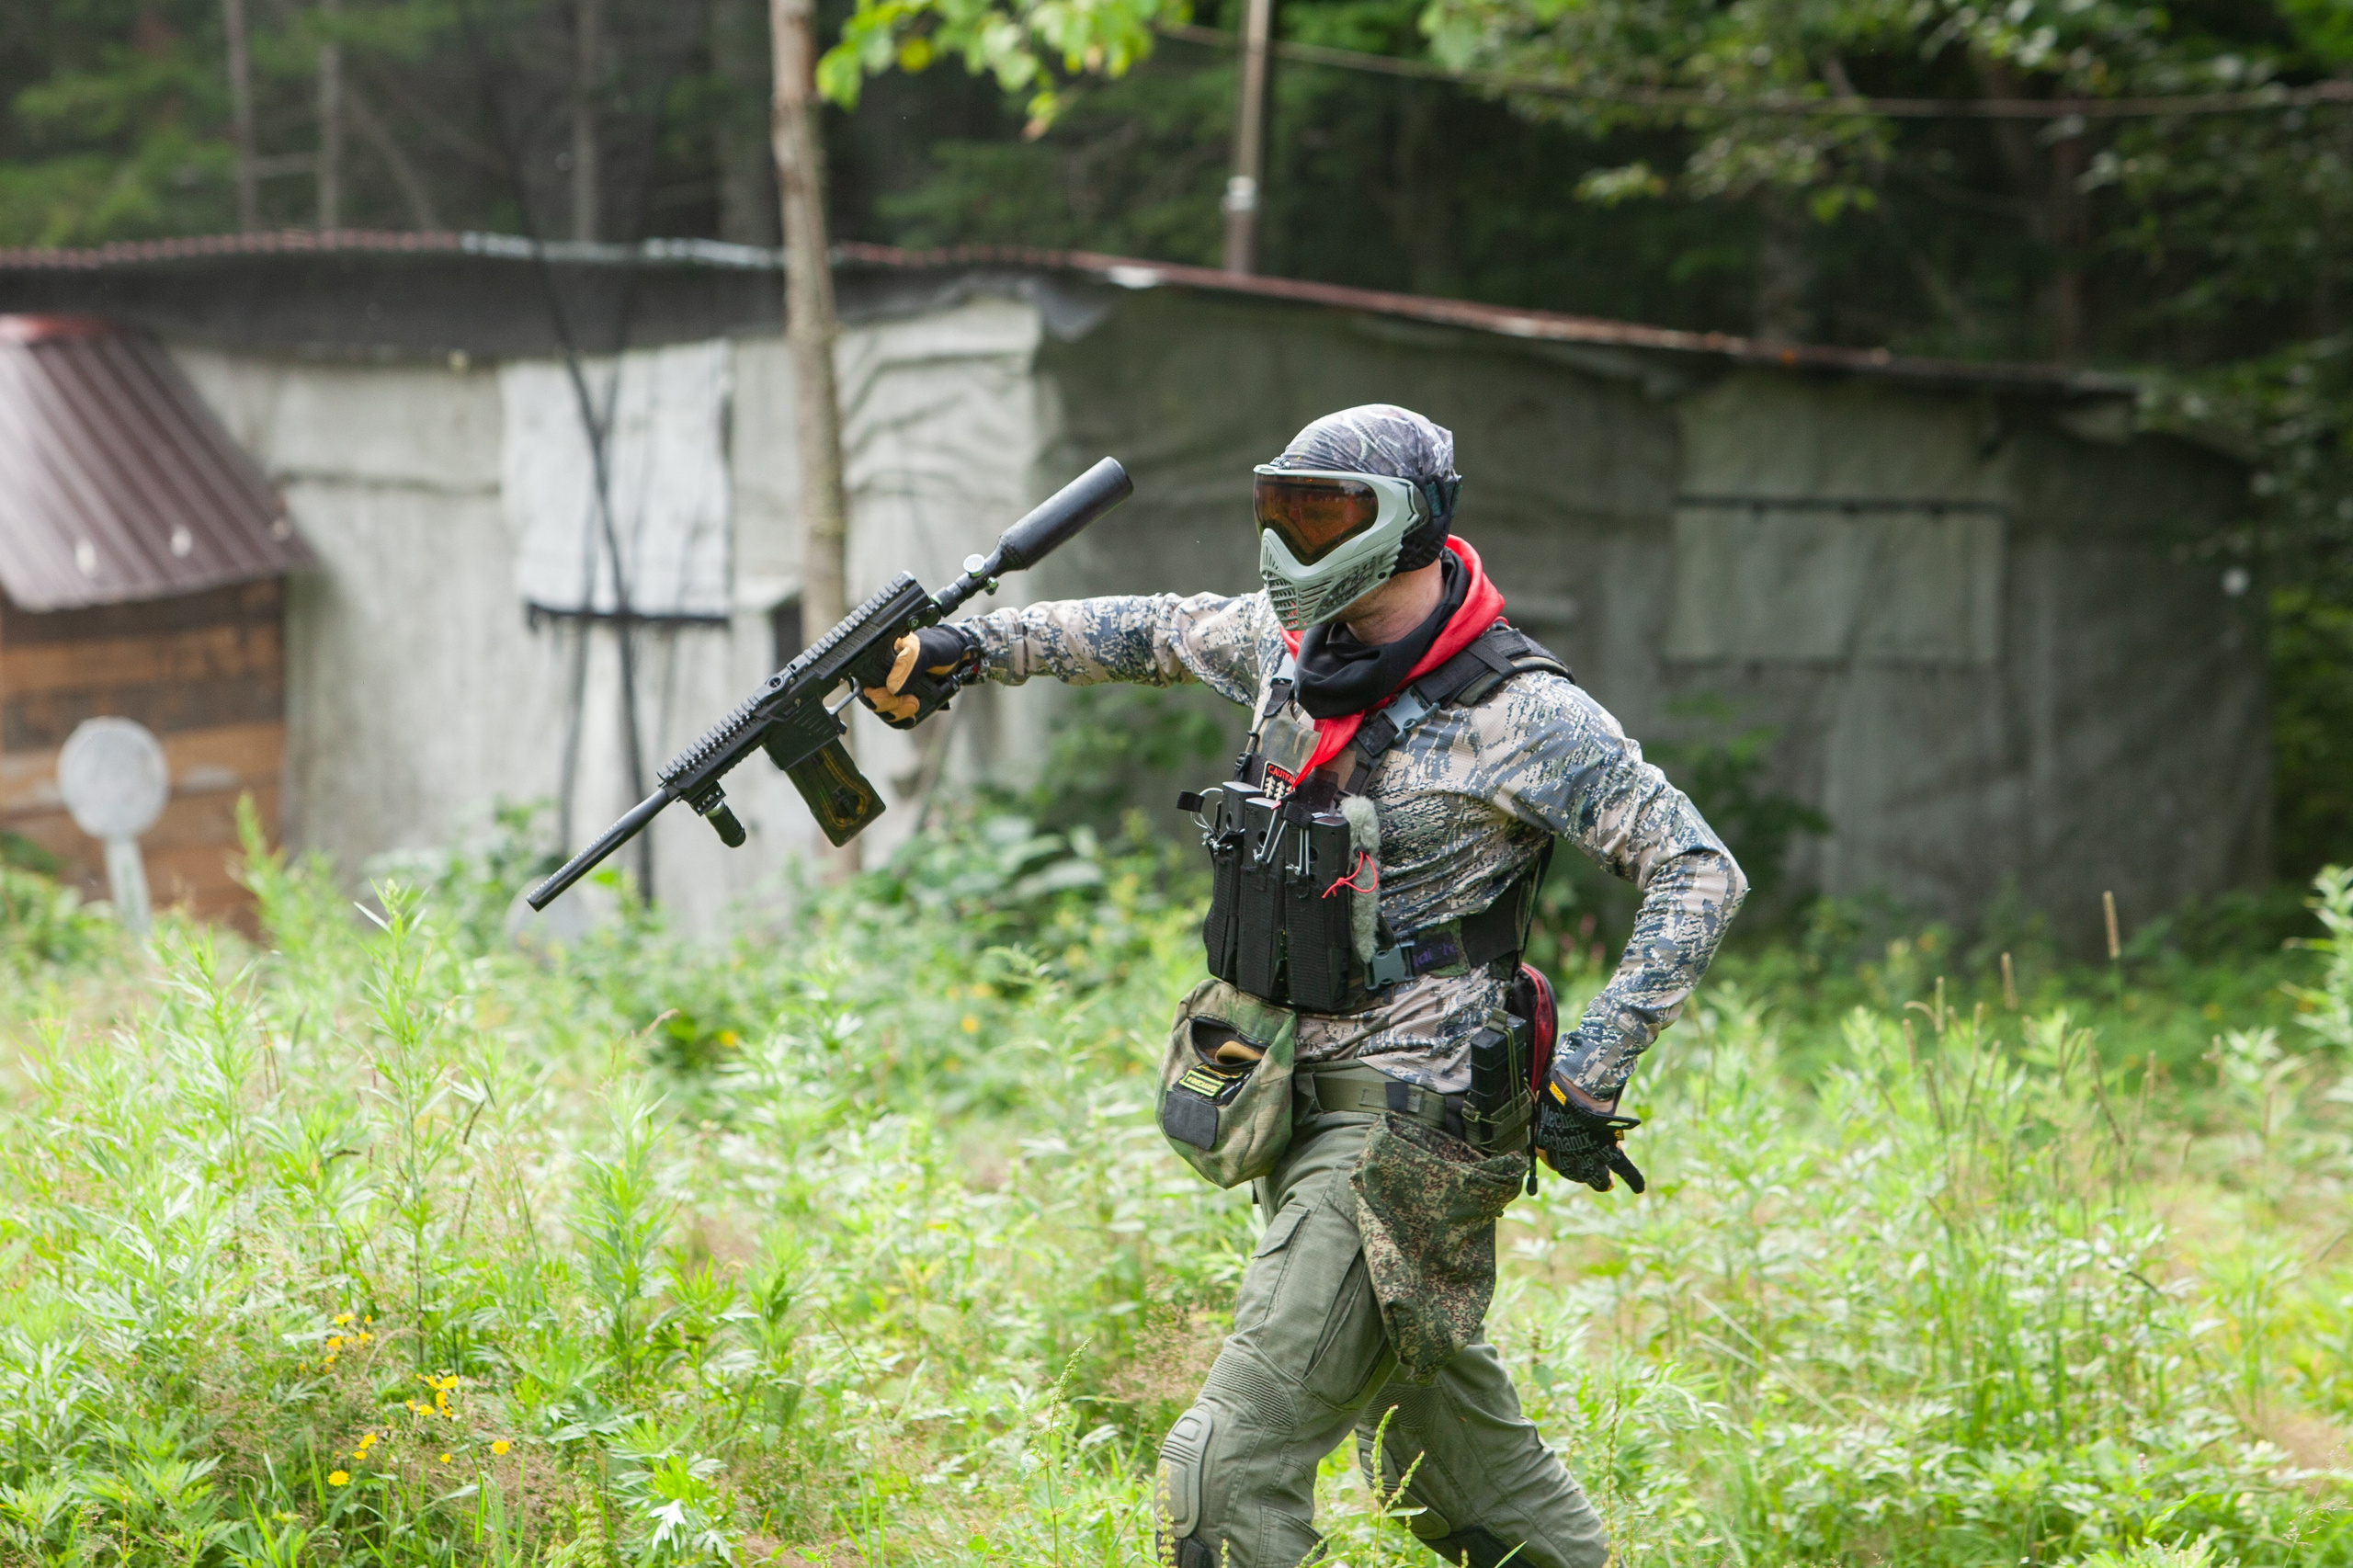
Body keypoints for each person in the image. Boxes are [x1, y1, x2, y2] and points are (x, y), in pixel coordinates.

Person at [862, 405, 1746, 1568]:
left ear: (1416, 523)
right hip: (1289, 1093)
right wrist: (974, 646)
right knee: (1458, 1474)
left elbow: (1696, 865)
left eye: (1324, 512)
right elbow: (1153, 630)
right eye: (1279, 507)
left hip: (1412, 1124)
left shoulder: (1521, 712)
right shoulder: (1291, 654)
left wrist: (1592, 1062)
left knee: (1221, 1468)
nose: (1292, 537)